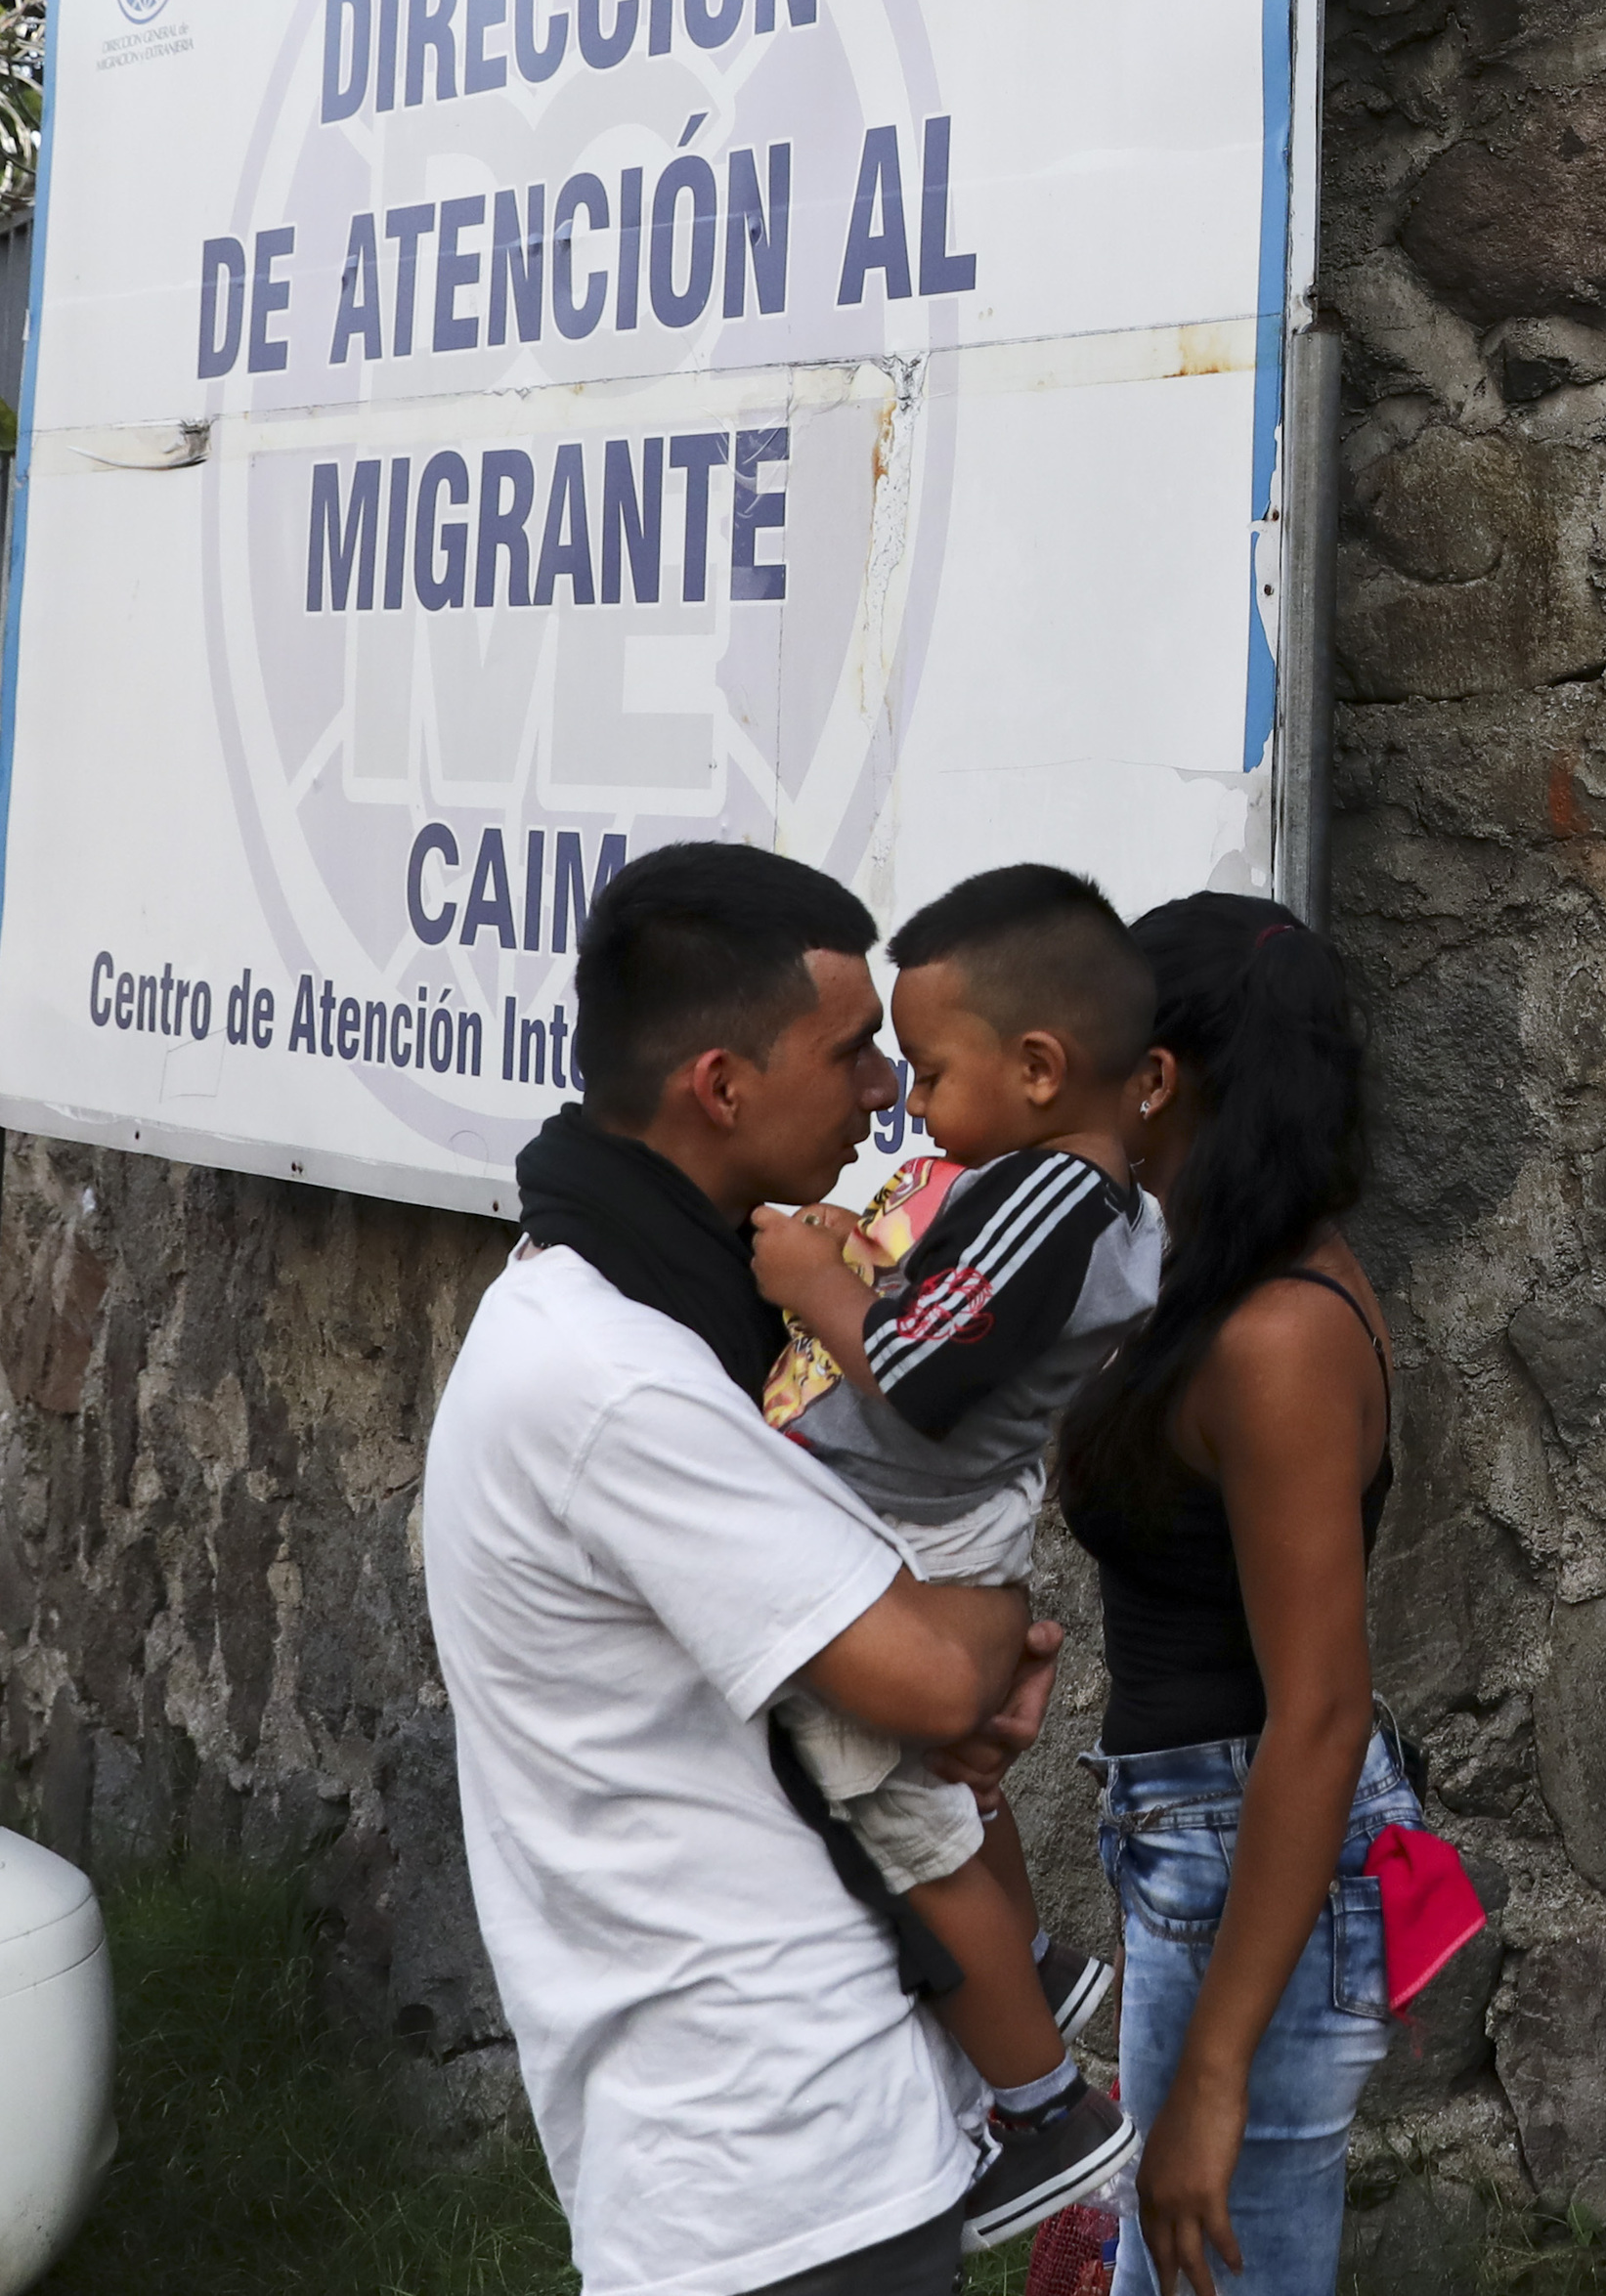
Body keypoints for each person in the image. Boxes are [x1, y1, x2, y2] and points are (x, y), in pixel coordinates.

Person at [424, 840, 1062, 2296]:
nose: (885, 1092)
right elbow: (928, 1671)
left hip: (765, 2136)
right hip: (774, 2164)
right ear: (721, 1084)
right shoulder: (621, 1379)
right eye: (850, 1056)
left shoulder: (633, 1313)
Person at [747, 863, 1178, 2244]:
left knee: (899, 1810)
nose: (908, 1105)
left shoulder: (1052, 1193)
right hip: (917, 1515)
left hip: (912, 1528)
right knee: (935, 1788)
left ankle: (1045, 2112)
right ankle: (1036, 1975)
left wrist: (815, 1279)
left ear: (1041, 1068)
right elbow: (950, 1336)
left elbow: (924, 1376)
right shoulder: (1060, 1200)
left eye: (928, 1071)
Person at [1053, 895, 1418, 2296]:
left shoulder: (1274, 1336)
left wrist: (1216, 2071)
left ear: (1156, 1078)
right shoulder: (1215, 1275)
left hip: (1245, 1839)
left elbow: (1320, 1712)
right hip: (1198, 1836)